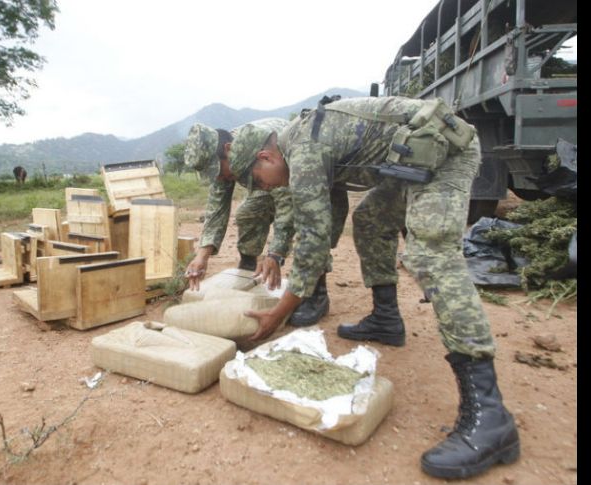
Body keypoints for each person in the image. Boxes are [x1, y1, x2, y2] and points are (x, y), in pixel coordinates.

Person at [227, 96, 520, 479]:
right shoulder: (298, 146)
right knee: (369, 219)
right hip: (409, 162)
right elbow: (324, 218)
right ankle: (386, 318)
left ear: (266, 157)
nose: (264, 189)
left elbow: (314, 242)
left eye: (259, 182)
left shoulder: (304, 152)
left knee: (432, 254)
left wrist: (278, 315)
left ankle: (490, 415)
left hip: (445, 153)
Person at [182, 119, 334, 326]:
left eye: (218, 170)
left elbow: (286, 206)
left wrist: (275, 255)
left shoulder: (259, 150)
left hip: (291, 173)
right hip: (261, 179)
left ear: (229, 150)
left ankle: (318, 292)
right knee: (248, 213)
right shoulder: (222, 161)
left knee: (309, 221)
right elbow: (216, 209)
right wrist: (202, 255)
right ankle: (247, 268)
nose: (219, 177)